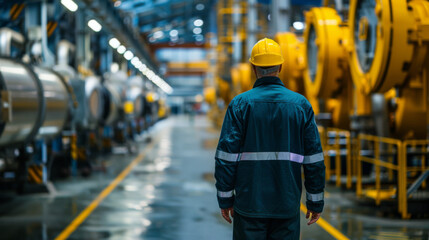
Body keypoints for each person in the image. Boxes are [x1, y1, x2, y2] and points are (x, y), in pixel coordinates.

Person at [214, 38, 325, 240]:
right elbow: (314, 159)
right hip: (287, 204)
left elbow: (226, 157)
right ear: (281, 66)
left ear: (253, 68)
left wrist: (225, 199)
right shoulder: (300, 105)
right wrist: (314, 201)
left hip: (249, 204)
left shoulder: (240, 105)